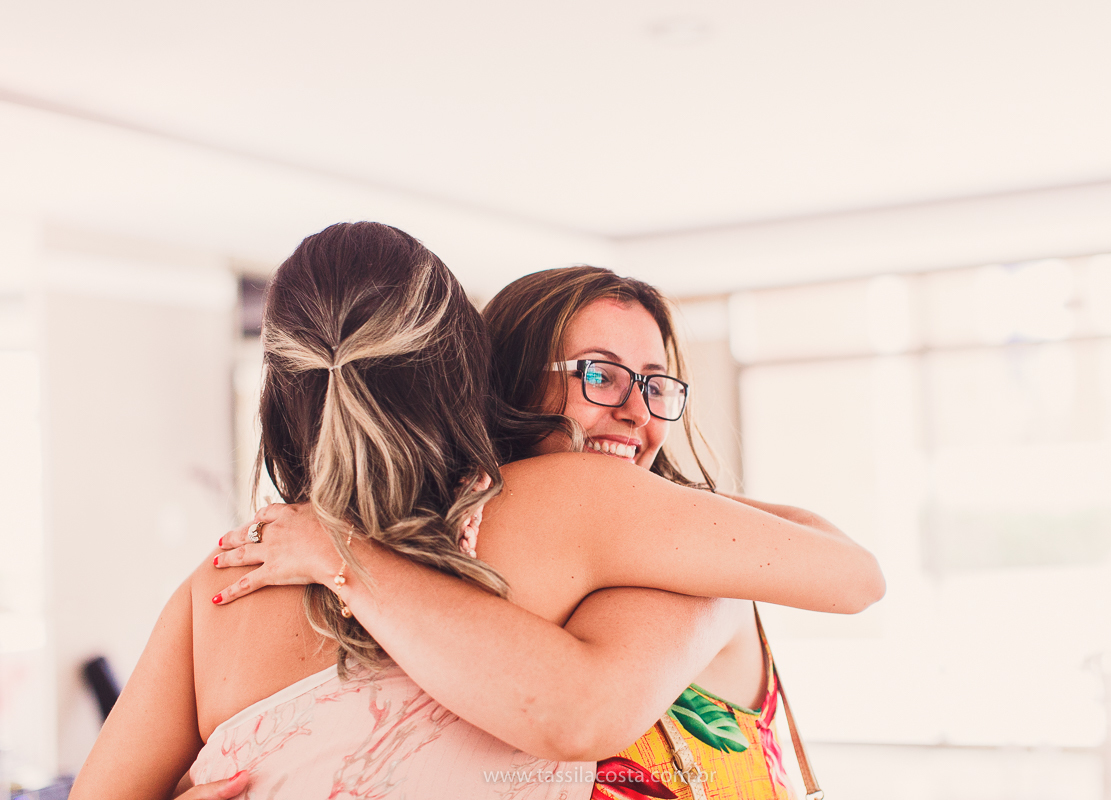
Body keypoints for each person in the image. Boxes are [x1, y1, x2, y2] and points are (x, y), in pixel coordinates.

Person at [200, 259, 883, 799]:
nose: (636, 412)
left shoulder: (681, 559)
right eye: (601, 375)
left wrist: (339, 556)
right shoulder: (449, 561)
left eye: (656, 385)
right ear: (510, 384)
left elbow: (855, 576)